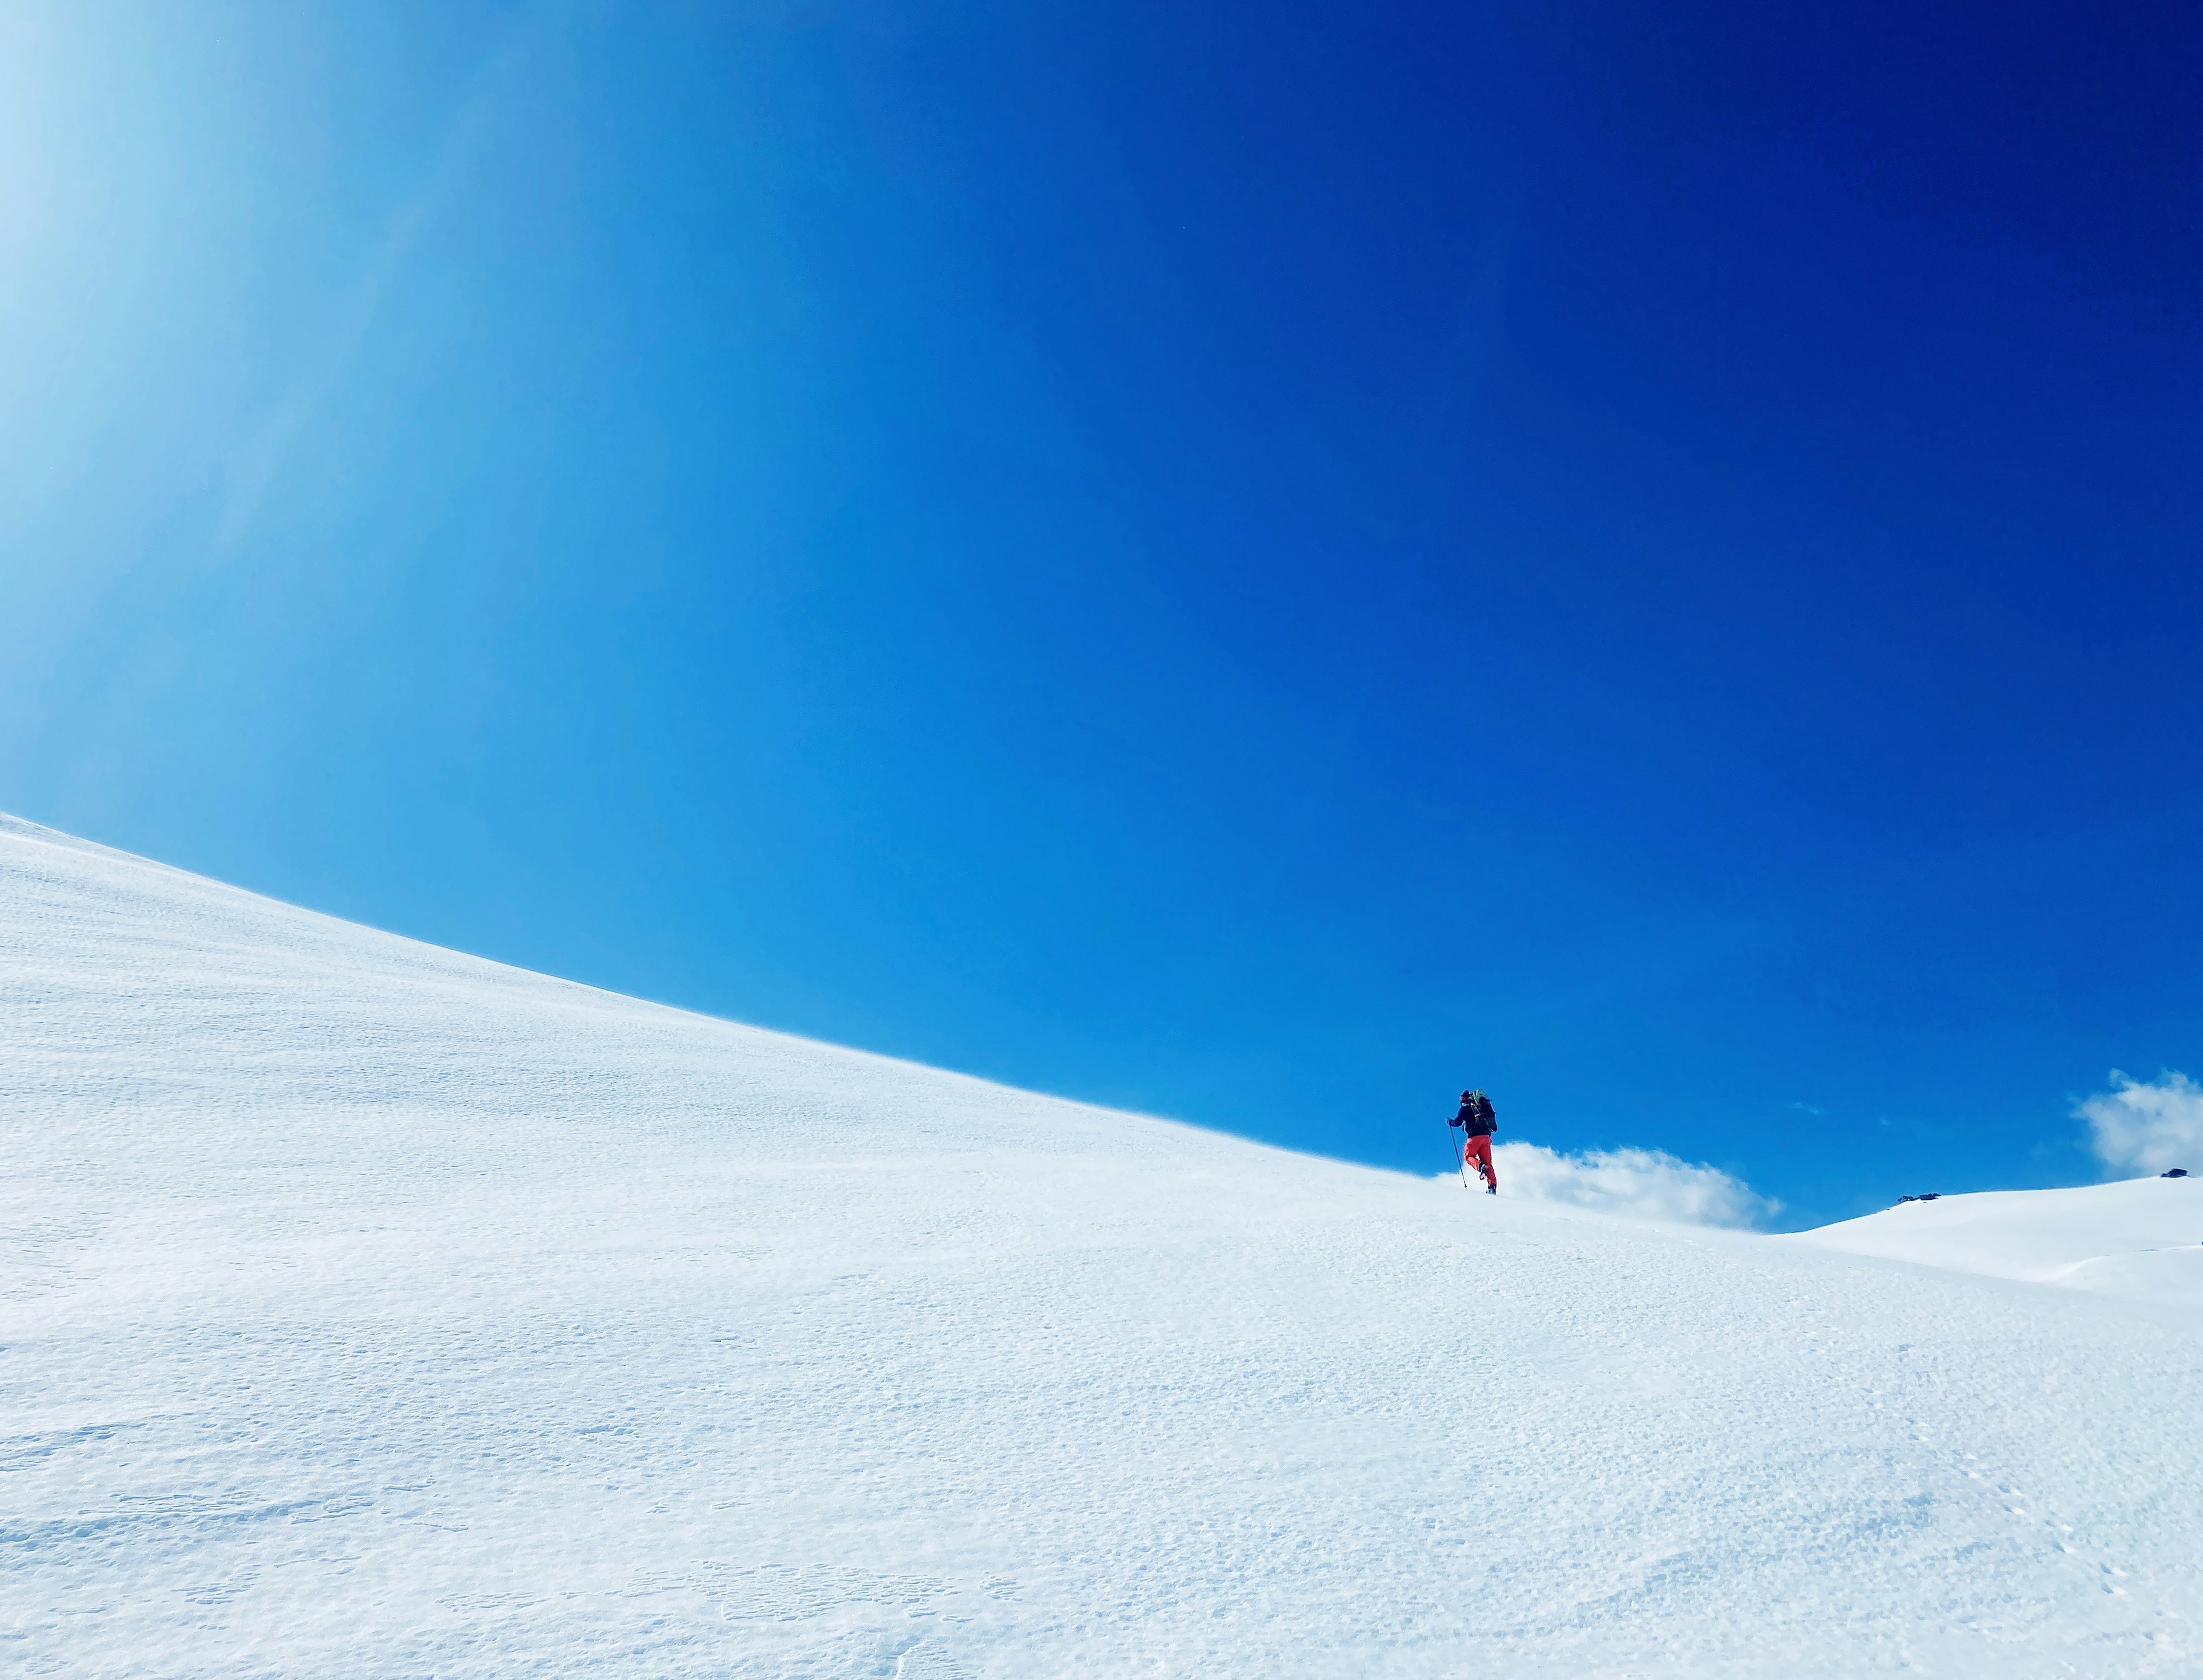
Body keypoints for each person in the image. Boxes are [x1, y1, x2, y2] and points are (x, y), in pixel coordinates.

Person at [1450, 1089, 1498, 1193]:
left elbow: (1457, 1123)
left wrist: (1450, 1122)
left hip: (1474, 1138)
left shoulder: (1464, 1110)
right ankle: (1492, 1187)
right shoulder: (1479, 1108)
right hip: (1487, 1138)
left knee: (1468, 1157)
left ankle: (1481, 1167)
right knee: (1488, 1163)